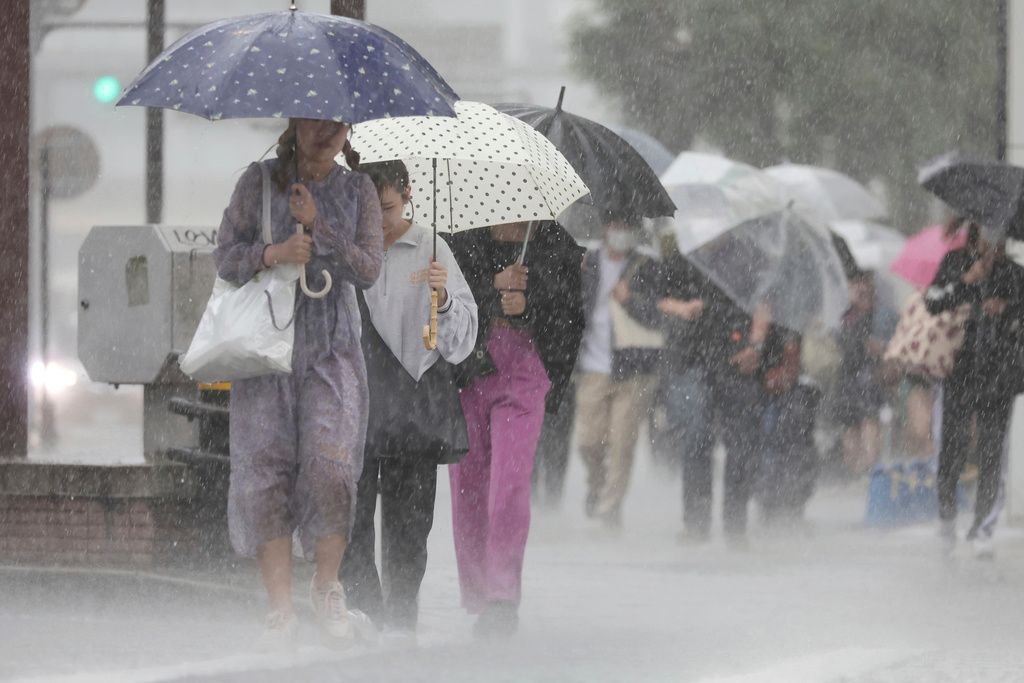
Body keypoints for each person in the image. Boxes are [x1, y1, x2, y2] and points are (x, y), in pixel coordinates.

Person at [214, 118, 383, 645]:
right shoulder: (258, 182)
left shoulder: (359, 189)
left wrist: (321, 228)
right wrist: (272, 254)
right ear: (294, 120)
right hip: (268, 344)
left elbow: (370, 267)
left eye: (339, 121)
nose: (328, 130)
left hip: (332, 346)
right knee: (265, 470)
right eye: (317, 118)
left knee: (331, 464)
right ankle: (279, 608)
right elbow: (224, 256)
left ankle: (327, 585)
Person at [339, 161, 478, 638]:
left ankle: (400, 619)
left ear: (408, 194)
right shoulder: (346, 250)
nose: (377, 220)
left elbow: (459, 343)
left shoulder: (432, 248)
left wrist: (442, 300)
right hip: (353, 405)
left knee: (408, 526)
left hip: (413, 408)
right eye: (367, 209)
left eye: (388, 208)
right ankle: (365, 615)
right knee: (349, 521)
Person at [447, 220, 584, 637]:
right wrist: (493, 289)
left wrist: (527, 303)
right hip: (470, 371)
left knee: (509, 483)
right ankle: (479, 590)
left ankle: (502, 595)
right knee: (467, 487)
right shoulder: (461, 237)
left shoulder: (556, 243)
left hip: (525, 373)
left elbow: (570, 316)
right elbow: (446, 298)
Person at [926, 225, 1024, 559]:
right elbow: (932, 302)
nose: (992, 240)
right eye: (986, 231)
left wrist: (1008, 308)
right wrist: (965, 282)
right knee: (951, 449)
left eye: (998, 234)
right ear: (975, 232)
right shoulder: (955, 262)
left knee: (991, 453)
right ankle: (947, 518)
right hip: (958, 371)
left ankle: (983, 527)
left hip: (999, 376)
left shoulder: (1014, 273)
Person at [575, 213, 660, 529]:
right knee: (588, 441)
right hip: (593, 367)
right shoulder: (587, 263)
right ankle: (597, 486)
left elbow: (659, 315)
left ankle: (610, 509)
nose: (620, 232)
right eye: (615, 225)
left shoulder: (646, 266)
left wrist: (632, 301)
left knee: (622, 444)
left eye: (626, 226)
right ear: (604, 228)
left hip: (633, 369)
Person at [834, 270, 897, 474]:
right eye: (857, 285)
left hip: (870, 377)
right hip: (847, 377)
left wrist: (882, 349)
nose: (862, 290)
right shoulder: (843, 315)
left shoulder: (881, 315)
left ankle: (871, 469)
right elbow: (839, 345)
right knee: (850, 426)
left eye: (866, 286)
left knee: (869, 420)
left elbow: (891, 344)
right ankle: (856, 469)